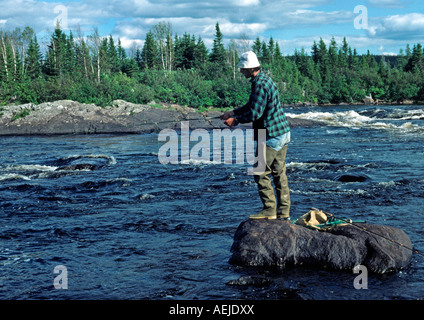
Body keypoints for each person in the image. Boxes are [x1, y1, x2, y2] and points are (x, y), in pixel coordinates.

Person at [220, 51, 291, 220]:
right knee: (279, 173)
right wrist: (232, 112)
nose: (241, 71)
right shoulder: (264, 80)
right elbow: (251, 105)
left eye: (243, 69)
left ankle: (269, 210)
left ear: (251, 69)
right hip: (282, 133)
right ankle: (283, 211)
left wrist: (235, 121)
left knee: (260, 172)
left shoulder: (260, 85)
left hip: (271, 135)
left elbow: (255, 114)